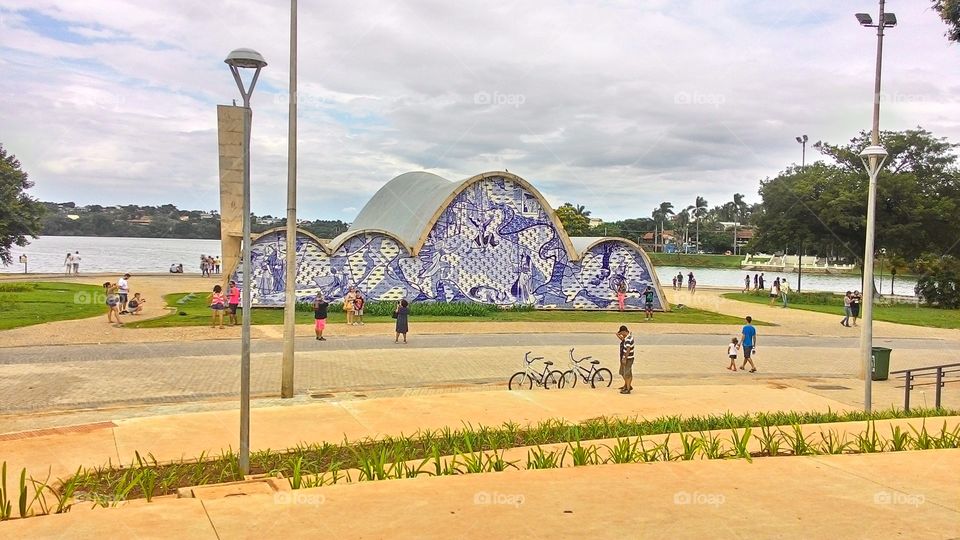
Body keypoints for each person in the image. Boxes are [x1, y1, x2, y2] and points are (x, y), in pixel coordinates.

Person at [616, 325, 635, 394]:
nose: (621, 335)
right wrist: (618, 335)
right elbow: (623, 340)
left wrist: (624, 358)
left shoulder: (628, 339)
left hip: (628, 359)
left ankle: (628, 388)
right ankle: (627, 385)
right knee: (622, 372)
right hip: (625, 358)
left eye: (621, 333)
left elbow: (628, 349)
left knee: (627, 374)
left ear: (624, 331)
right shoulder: (627, 338)